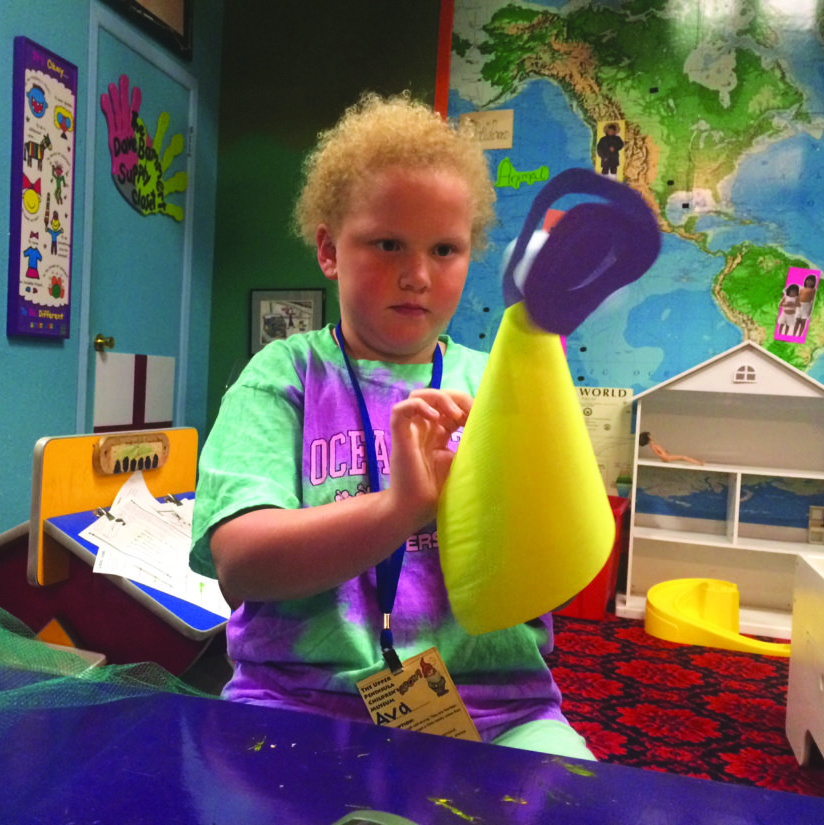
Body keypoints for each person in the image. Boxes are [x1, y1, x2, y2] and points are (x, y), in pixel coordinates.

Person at [189, 92, 594, 760]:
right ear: (329, 249)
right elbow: (240, 563)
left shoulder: (499, 386)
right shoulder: (284, 377)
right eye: (388, 244)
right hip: (297, 700)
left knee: (576, 802)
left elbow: (558, 561)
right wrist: (401, 507)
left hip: (496, 707)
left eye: (445, 249)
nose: (417, 275)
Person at [638, 432, 703, 465]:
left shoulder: (654, 445)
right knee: (684, 457)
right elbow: (656, 453)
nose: (651, 436)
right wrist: (664, 456)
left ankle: (699, 462)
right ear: (648, 438)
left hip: (666, 457)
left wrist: (664, 452)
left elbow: (659, 452)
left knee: (683, 458)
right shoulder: (653, 446)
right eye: (650, 436)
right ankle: (699, 463)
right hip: (666, 457)